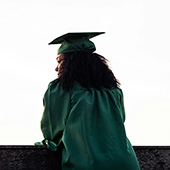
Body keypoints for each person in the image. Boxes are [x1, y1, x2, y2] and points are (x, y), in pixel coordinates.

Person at [36, 32, 140, 170]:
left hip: (87, 164)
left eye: (59, 61)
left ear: (71, 63)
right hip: (126, 163)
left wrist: (50, 143)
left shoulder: (61, 88)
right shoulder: (113, 90)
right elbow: (119, 121)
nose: (56, 68)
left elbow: (53, 130)